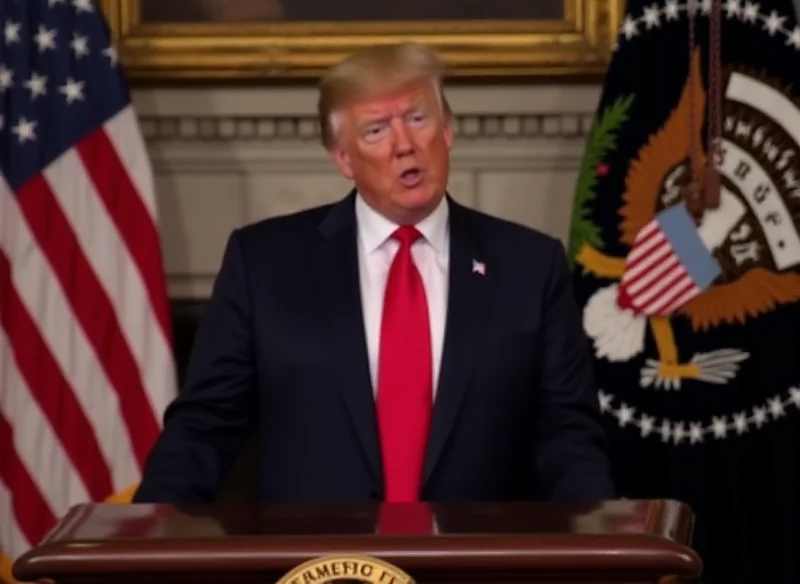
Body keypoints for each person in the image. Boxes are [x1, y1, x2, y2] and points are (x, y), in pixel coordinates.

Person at [133, 43, 615, 505]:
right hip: (317, 566)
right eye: (376, 130)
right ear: (343, 158)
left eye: (417, 118)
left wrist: (603, 550)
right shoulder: (264, 265)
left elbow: (568, 437)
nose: (404, 145)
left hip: (474, 561)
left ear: (447, 131)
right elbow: (204, 425)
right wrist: (146, 533)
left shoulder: (529, 266)